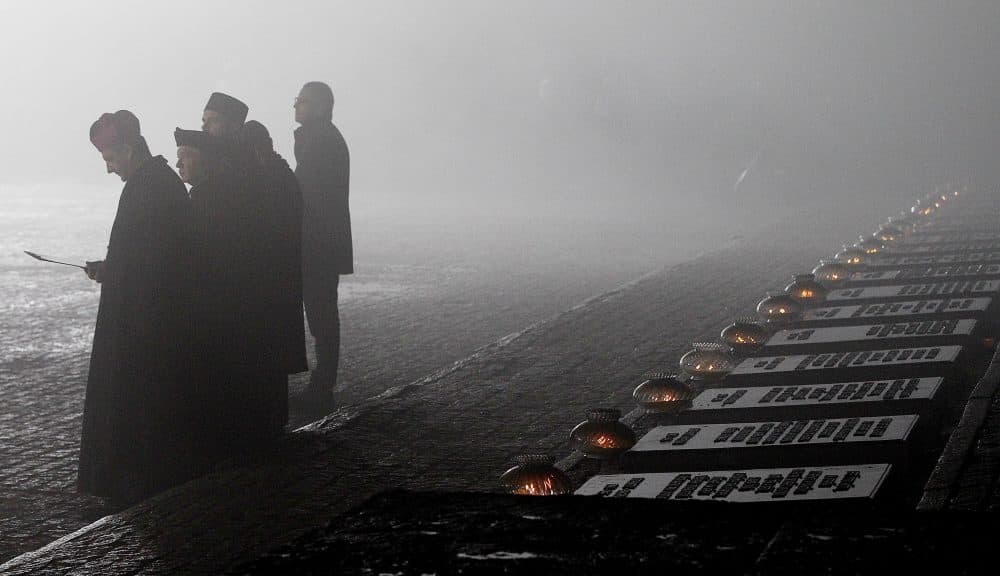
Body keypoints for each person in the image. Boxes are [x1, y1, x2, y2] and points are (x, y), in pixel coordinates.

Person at [78, 111, 195, 509]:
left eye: (110, 159)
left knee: (137, 407)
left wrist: (117, 273)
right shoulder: (158, 183)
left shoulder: (148, 187)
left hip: (143, 323)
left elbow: (155, 263)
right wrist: (113, 269)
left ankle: (135, 484)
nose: (110, 169)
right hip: (147, 315)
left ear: (128, 149)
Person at [241, 120, 308, 433]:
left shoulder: (272, 180)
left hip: (273, 280)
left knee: (269, 356)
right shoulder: (280, 175)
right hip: (281, 278)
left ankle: (270, 423)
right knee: (274, 357)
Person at [293, 81, 353, 402]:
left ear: (319, 106)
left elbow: (304, 190)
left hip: (318, 242)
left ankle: (322, 382)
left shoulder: (320, 141)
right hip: (323, 240)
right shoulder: (324, 138)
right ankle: (323, 379)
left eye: (301, 101)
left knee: (321, 314)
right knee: (322, 312)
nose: (295, 107)